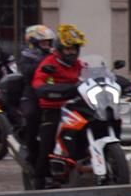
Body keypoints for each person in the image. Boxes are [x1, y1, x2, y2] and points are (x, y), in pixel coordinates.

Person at [28, 24, 87, 187]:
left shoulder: (79, 64)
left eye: (74, 48)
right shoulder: (49, 63)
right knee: (48, 139)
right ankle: (40, 177)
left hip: (75, 106)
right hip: (54, 106)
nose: (72, 52)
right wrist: (49, 90)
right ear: (60, 49)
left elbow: (90, 75)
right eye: (68, 49)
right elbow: (38, 82)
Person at [9, 24, 56, 133]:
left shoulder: (54, 55)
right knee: (31, 115)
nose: (47, 45)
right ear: (34, 43)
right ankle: (30, 145)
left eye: (48, 42)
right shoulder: (27, 55)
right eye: (43, 42)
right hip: (32, 93)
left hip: (52, 90)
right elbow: (26, 71)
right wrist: (42, 67)